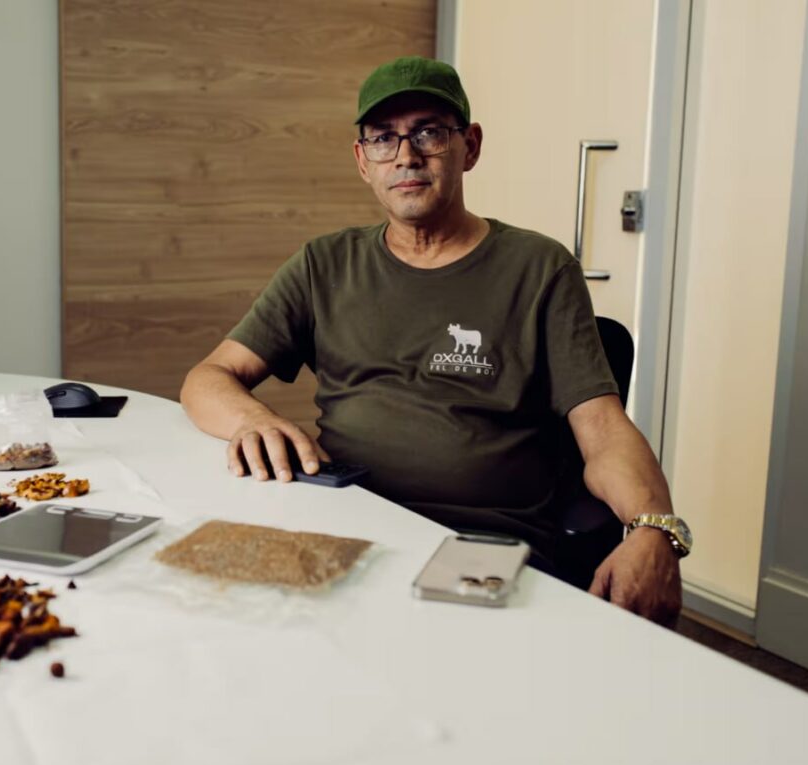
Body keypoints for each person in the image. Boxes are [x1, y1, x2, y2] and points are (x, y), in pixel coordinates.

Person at [179, 56, 686, 625]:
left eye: (428, 133)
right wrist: (254, 421)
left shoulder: (540, 269)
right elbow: (207, 379)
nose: (406, 155)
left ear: (470, 146)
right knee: (212, 615)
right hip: (346, 519)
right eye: (383, 138)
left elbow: (603, 429)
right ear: (363, 161)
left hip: (477, 543)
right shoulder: (324, 264)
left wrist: (653, 528)